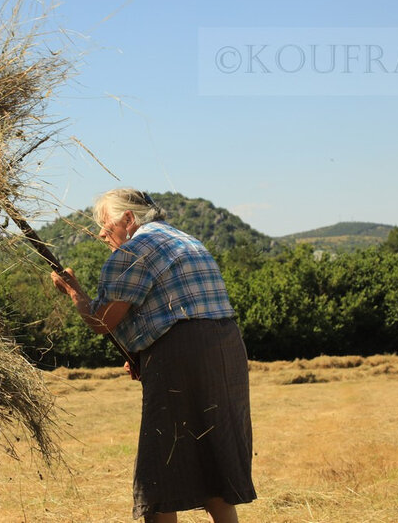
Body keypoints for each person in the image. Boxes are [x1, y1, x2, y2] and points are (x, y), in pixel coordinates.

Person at [51, 188, 256, 522]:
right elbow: (167, 305)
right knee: (213, 456)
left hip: (183, 352)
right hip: (226, 350)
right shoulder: (186, 241)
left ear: (128, 219)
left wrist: (73, 291)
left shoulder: (136, 250)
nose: (102, 233)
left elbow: (103, 321)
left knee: (160, 467)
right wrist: (143, 354)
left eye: (105, 224)